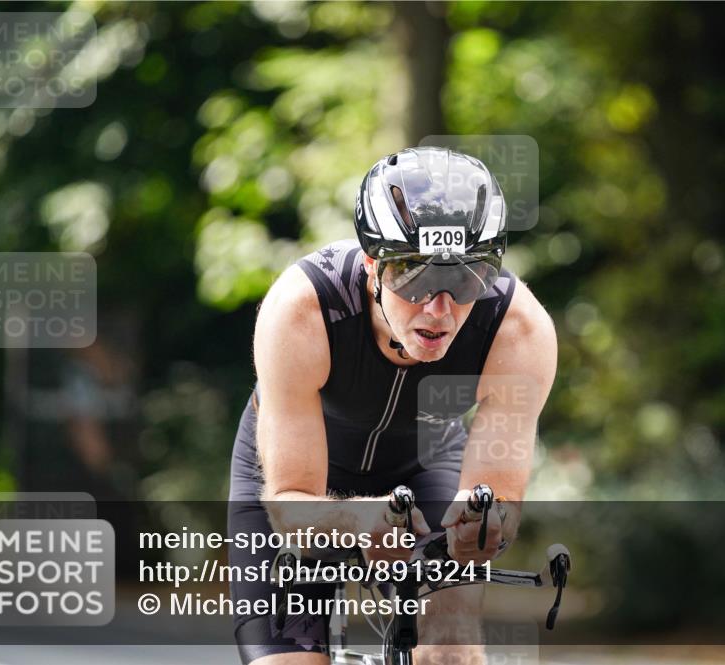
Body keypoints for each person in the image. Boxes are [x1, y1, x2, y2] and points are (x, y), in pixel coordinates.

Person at [228, 147, 557, 665]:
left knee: (451, 646)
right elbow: (291, 503)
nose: (440, 308)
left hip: (425, 463)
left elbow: (499, 499)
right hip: (297, 483)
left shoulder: (517, 330)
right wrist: (359, 520)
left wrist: (485, 527)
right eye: (415, 278)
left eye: (465, 277)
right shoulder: (303, 311)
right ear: (371, 265)